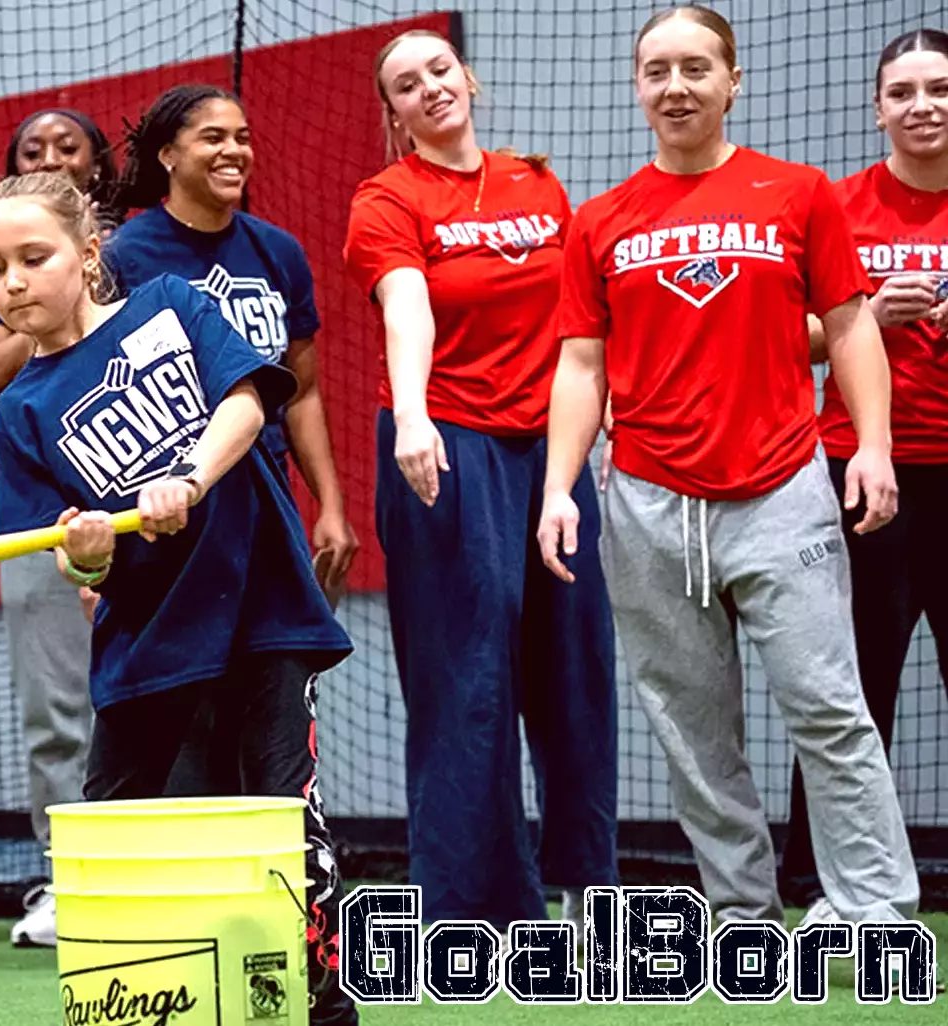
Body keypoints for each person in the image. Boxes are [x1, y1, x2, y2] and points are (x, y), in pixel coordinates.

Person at [537, 4, 921, 924]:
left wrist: (872, 446)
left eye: (697, 68)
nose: (676, 87)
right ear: (638, 87)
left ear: (733, 81)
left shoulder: (799, 194)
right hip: (646, 504)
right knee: (691, 727)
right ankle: (742, 911)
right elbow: (581, 366)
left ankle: (876, 908)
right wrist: (557, 486)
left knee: (829, 709)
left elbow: (849, 326)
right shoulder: (600, 221)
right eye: (658, 71)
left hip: (783, 491)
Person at [0, 170, 358, 1026]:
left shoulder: (171, 306)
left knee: (286, 828)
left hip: (263, 616)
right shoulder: (19, 411)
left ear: (87, 252)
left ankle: (323, 1015)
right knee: (116, 835)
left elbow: (249, 405)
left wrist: (188, 477)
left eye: (34, 258)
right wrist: (85, 557)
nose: (14, 282)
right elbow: (75, 566)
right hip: (147, 647)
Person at [343, 30, 618, 928]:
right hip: (447, 446)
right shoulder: (387, 198)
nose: (428, 88)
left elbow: (578, 322)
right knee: (469, 674)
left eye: (438, 71)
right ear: (393, 112)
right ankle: (473, 906)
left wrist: (600, 416)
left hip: (550, 451)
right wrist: (412, 415)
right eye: (405, 84)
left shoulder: (537, 185)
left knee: (576, 666)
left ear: (467, 78)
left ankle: (589, 887)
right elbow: (408, 306)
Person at [784, 28, 948, 922]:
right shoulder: (837, 207)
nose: (923, 106)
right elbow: (788, 338)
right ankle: (821, 884)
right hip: (860, 472)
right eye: (903, 92)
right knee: (845, 692)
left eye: (940, 89)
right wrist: (867, 317)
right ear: (877, 107)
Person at [0, 107, 121, 947]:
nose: (52, 155)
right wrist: (47, 305)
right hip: (37, 526)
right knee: (55, 711)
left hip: (144, 515)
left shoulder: (141, 264)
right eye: (33, 149)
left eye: (68, 145)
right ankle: (68, 876)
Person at [104, 84, 360, 598]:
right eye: (213, 137)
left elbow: (302, 392)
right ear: (168, 155)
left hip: (267, 498)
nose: (234, 151)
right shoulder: (124, 256)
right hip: (168, 507)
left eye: (242, 138)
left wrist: (330, 505)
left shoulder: (278, 251)